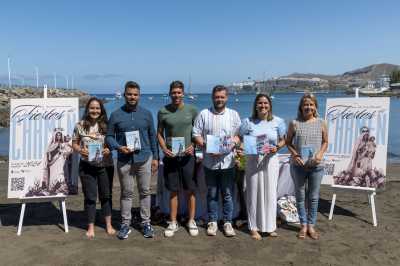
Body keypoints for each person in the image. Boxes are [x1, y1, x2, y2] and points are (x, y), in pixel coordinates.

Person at [106, 81, 159, 239]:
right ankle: (125, 224)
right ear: (124, 95)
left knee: (145, 192)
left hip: (144, 158)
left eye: (135, 94)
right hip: (124, 160)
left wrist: (156, 157)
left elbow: (152, 136)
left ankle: (146, 223)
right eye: (129, 94)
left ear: (139, 96)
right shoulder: (116, 114)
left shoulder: (147, 114)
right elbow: (109, 136)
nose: (132, 97)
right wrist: (118, 147)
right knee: (126, 193)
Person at [193, 85, 241, 237]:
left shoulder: (234, 115)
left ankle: (227, 222)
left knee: (227, 194)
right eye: (216, 97)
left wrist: (233, 143)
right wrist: (206, 145)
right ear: (212, 97)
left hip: (228, 162)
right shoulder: (204, 114)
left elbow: (239, 135)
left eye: (222, 97)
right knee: (212, 194)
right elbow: (196, 134)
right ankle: (212, 221)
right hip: (210, 162)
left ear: (226, 98)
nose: (219, 99)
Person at [238, 94, 286, 240]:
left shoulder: (278, 121)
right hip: (252, 161)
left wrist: (277, 147)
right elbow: (239, 139)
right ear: (255, 105)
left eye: (265, 103)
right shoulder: (247, 121)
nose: (263, 105)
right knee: (253, 193)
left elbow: (284, 140)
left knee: (270, 193)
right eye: (260, 103)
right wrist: (240, 148)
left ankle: (270, 226)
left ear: (270, 105)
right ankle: (253, 227)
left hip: (270, 161)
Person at [157, 80, 199, 237]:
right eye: (173, 92)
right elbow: (159, 134)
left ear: (183, 93)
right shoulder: (163, 111)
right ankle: (173, 221)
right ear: (170, 94)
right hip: (171, 157)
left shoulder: (193, 110)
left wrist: (194, 146)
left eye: (179, 92)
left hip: (188, 157)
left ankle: (191, 221)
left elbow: (198, 133)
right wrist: (164, 149)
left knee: (190, 189)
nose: (176, 95)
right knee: (173, 190)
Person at [286, 94, 328, 240]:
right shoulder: (294, 123)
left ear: (315, 107)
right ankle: (303, 225)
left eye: (311, 104)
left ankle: (311, 225)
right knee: (300, 196)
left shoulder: (322, 122)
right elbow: (288, 142)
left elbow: (325, 142)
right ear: (301, 107)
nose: (308, 107)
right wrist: (296, 155)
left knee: (314, 197)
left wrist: (320, 155)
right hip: (298, 165)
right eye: (306, 105)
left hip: (316, 165)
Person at [72, 97, 115, 239]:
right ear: (87, 109)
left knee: (106, 196)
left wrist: (109, 149)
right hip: (86, 165)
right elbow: (74, 143)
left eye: (97, 108)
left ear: (101, 110)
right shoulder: (80, 125)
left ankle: (108, 224)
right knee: (90, 197)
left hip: (105, 165)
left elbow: (113, 142)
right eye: (92, 108)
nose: (94, 111)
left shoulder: (108, 125)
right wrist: (79, 150)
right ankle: (90, 226)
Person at [42, 128, 73, 194]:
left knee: (60, 174)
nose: (58, 136)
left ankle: (61, 188)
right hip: (53, 163)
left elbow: (69, 151)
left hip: (61, 161)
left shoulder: (63, 144)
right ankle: (52, 188)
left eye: (59, 135)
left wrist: (62, 152)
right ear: (55, 136)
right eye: (57, 135)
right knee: (54, 175)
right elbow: (48, 151)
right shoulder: (52, 144)